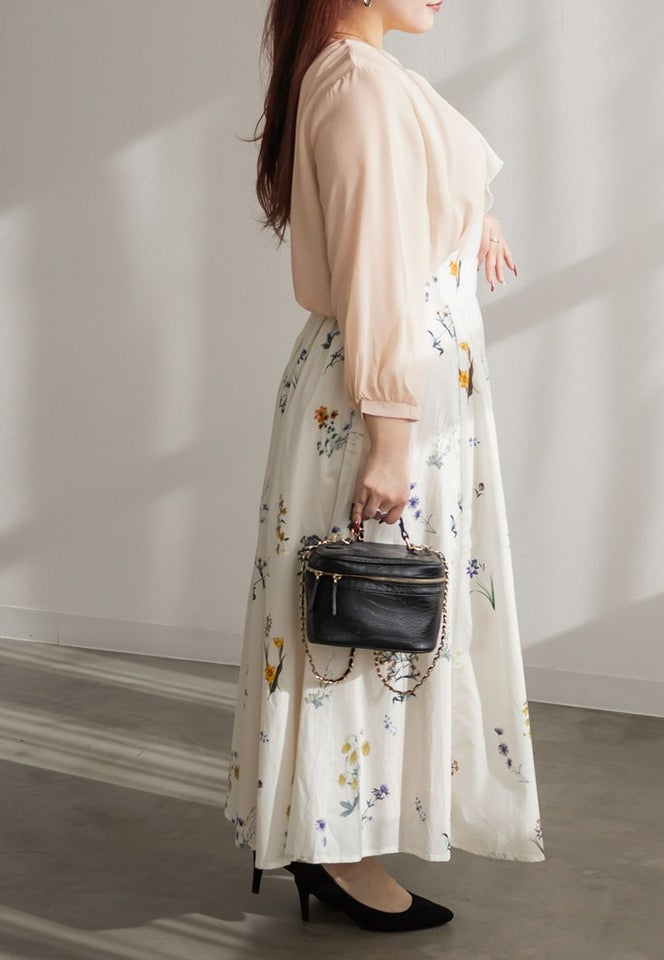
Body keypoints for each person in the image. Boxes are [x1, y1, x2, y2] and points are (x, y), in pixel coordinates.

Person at [223, 0, 545, 933]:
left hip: (395, 393)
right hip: (381, 399)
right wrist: (393, 437)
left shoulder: (365, 76)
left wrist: (472, 220)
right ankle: (334, 849)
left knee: (374, 623)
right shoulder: (359, 84)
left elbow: (411, 203)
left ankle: (335, 835)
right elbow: (374, 270)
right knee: (361, 623)